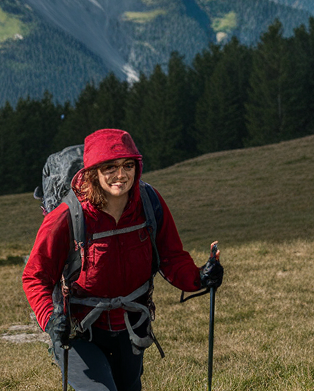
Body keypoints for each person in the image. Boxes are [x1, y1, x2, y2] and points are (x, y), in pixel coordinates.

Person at [22, 129, 223, 391]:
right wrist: (50, 320)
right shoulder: (67, 217)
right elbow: (35, 277)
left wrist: (199, 277)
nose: (121, 175)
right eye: (110, 167)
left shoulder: (149, 203)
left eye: (128, 165)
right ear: (93, 171)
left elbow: (171, 257)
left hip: (131, 327)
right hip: (78, 331)